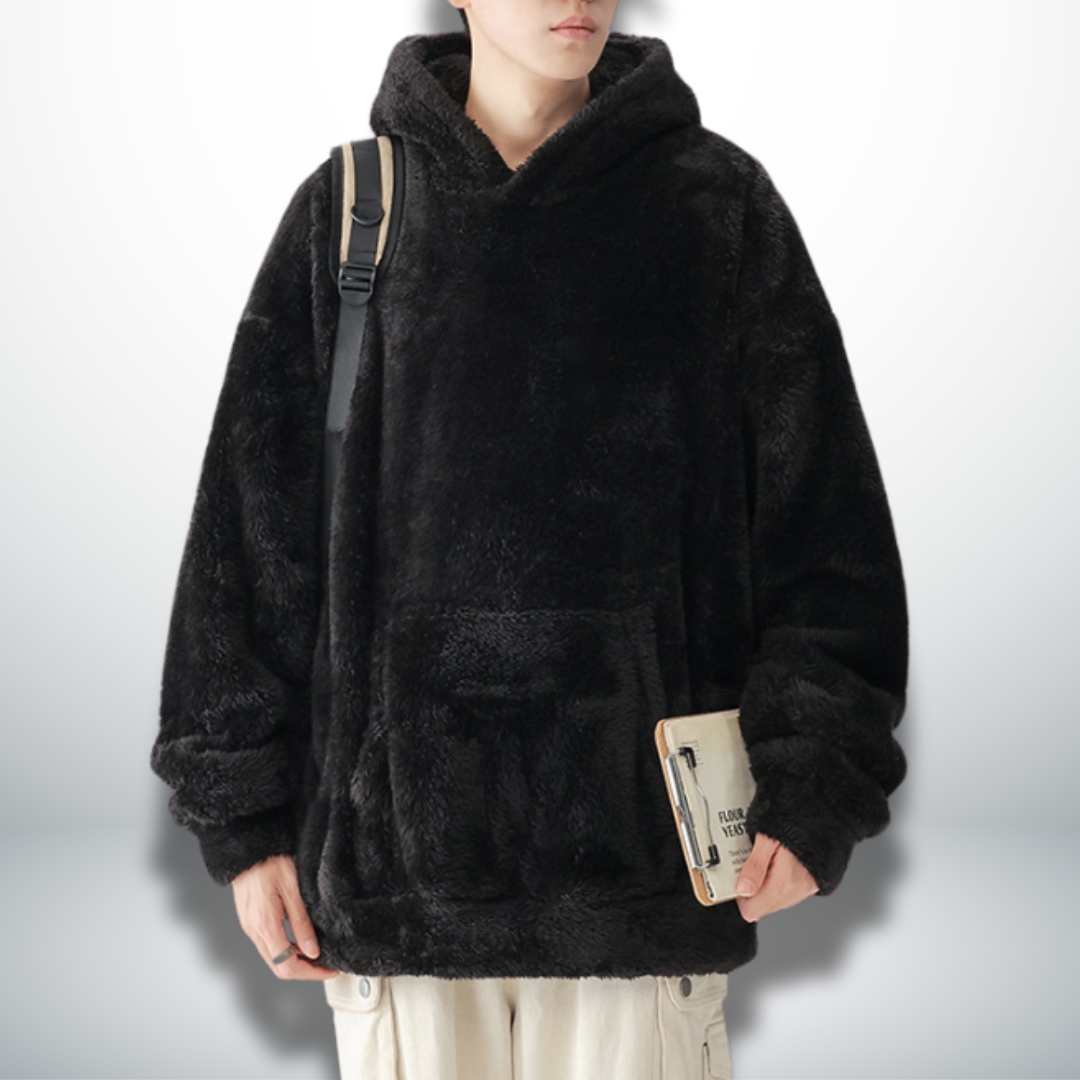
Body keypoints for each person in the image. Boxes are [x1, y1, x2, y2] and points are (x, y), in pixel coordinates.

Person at [150, 1, 909, 1077]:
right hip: (399, 892)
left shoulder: (717, 210)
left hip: (641, 892)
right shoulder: (354, 212)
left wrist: (815, 781)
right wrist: (245, 823)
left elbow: (828, 539)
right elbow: (247, 539)